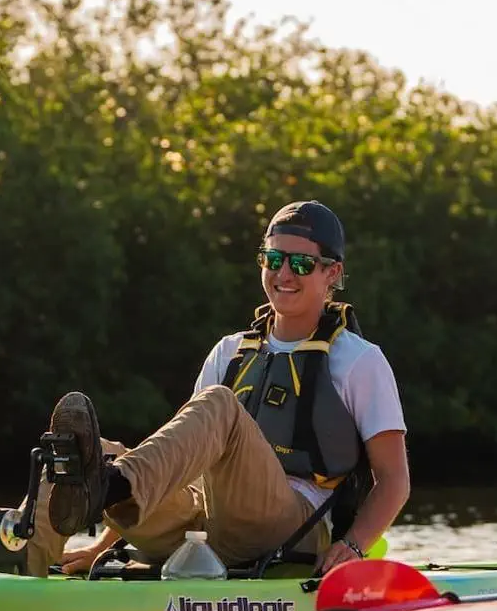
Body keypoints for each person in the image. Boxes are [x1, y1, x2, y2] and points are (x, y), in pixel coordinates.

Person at [26, 200, 410, 577]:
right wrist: (102, 546)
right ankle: (24, 569)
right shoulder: (229, 351)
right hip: (203, 520)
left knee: (219, 404)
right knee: (78, 454)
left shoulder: (359, 361)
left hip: (291, 526)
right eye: (274, 260)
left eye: (302, 263)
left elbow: (394, 480)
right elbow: (174, 461)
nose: (284, 274)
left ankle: (108, 486)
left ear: (332, 272)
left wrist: (354, 545)